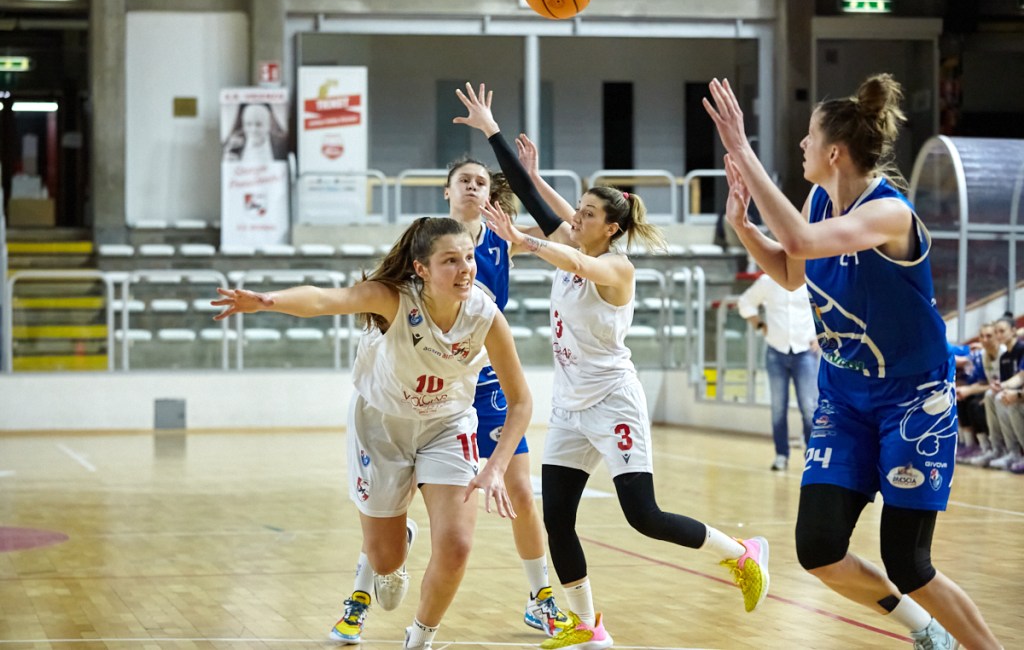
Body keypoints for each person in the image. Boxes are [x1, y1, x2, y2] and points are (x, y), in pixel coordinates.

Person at [457, 82, 771, 650]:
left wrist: (527, 240)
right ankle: (588, 624)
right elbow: (532, 198)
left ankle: (742, 553)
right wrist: (492, 131)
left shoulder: (617, 268)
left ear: (611, 228)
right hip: (570, 407)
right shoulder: (572, 242)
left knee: (643, 515)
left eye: (587, 214)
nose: (575, 217)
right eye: (576, 210)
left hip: (613, 401)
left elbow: (575, 259)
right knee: (558, 519)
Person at [704, 74, 1002, 649]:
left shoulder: (890, 215)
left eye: (809, 137)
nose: (802, 145)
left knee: (909, 562)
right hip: (844, 397)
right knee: (818, 549)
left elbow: (800, 243)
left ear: (835, 152)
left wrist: (742, 147)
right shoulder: (818, 200)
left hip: (912, 399)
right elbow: (792, 271)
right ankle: (924, 629)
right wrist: (743, 226)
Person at [211, 217, 533, 650]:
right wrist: (269, 301)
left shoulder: (485, 315)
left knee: (457, 546)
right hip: (382, 425)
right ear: (421, 268)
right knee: (385, 560)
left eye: (469, 258)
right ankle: (398, 543)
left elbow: (521, 401)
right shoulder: (393, 298)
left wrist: (495, 468)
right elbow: (325, 299)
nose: (465, 270)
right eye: (450, 261)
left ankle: (420, 638)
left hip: (447, 424)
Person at [329, 160, 570, 643]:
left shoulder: (503, 238)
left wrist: (531, 179)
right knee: (389, 499)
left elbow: (568, 238)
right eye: (465, 181)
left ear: (491, 193)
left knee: (520, 493)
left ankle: (539, 597)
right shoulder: (430, 244)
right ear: (447, 191)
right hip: (424, 383)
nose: (474, 187)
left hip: (484, 383)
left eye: (482, 181)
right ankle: (364, 590)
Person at [736, 269, 820, 471]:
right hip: (776, 351)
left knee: (809, 407)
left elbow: (826, 309)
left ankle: (812, 456)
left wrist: (820, 336)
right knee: (778, 408)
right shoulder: (767, 281)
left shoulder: (811, 278)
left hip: (805, 351)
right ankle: (781, 455)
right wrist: (759, 325)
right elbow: (745, 302)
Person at [971, 314, 1024, 470]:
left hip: (1020, 396)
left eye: (1002, 331)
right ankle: (999, 449)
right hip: (1018, 394)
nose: (998, 335)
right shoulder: (1005, 357)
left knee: (1005, 399)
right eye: (997, 332)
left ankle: (1014, 451)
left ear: (1013, 331)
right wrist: (1001, 385)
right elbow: (1019, 377)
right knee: (992, 395)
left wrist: (1014, 392)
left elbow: (1020, 378)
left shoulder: (1021, 349)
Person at [954, 322, 1000, 463]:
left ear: (997, 336)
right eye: (982, 336)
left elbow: (998, 383)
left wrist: (970, 390)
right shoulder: (983, 355)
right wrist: (966, 390)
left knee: (977, 403)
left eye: (989, 336)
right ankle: (973, 446)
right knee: (963, 400)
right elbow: (983, 382)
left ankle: (995, 449)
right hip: (992, 390)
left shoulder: (1002, 353)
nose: (985, 340)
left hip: (1001, 392)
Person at [222, 102, 288, 163]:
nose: (254, 130)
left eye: (259, 124)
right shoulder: (232, 143)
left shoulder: (281, 143)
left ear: (268, 125)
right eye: (248, 124)